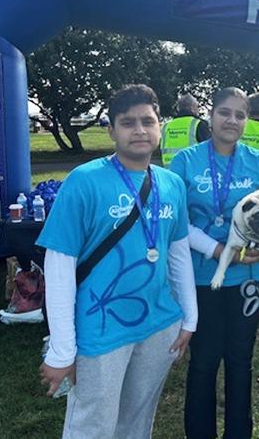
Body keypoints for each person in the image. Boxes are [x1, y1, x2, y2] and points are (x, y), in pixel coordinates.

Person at [37, 84, 198, 439]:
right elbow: (59, 266)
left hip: (159, 324)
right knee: (93, 424)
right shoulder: (84, 181)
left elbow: (178, 252)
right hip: (101, 327)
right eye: (127, 122)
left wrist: (190, 318)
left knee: (137, 422)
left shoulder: (172, 183)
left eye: (147, 121)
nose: (139, 130)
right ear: (111, 130)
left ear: (160, 126)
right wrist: (63, 349)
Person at [169, 87, 259, 439]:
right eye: (224, 112)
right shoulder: (186, 161)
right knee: (203, 360)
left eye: (240, 115)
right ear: (209, 116)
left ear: (247, 120)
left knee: (240, 359)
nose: (232, 120)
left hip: (250, 276)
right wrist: (216, 251)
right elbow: (177, 222)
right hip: (202, 275)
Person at [160, 93, 210, 166]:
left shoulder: (166, 127)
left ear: (178, 108)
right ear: (192, 108)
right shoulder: (198, 124)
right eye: (197, 107)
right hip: (192, 171)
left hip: (169, 171)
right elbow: (209, 149)